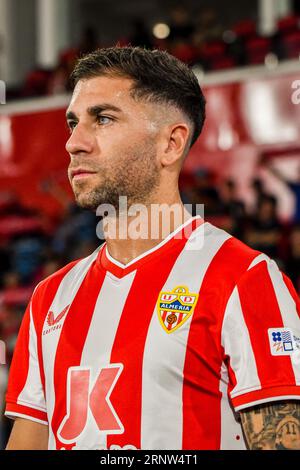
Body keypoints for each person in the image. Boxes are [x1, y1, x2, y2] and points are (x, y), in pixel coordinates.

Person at [4, 47, 300, 450]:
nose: (74, 142)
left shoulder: (243, 279)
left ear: (171, 144)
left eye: (103, 118)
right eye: (73, 122)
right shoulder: (49, 298)